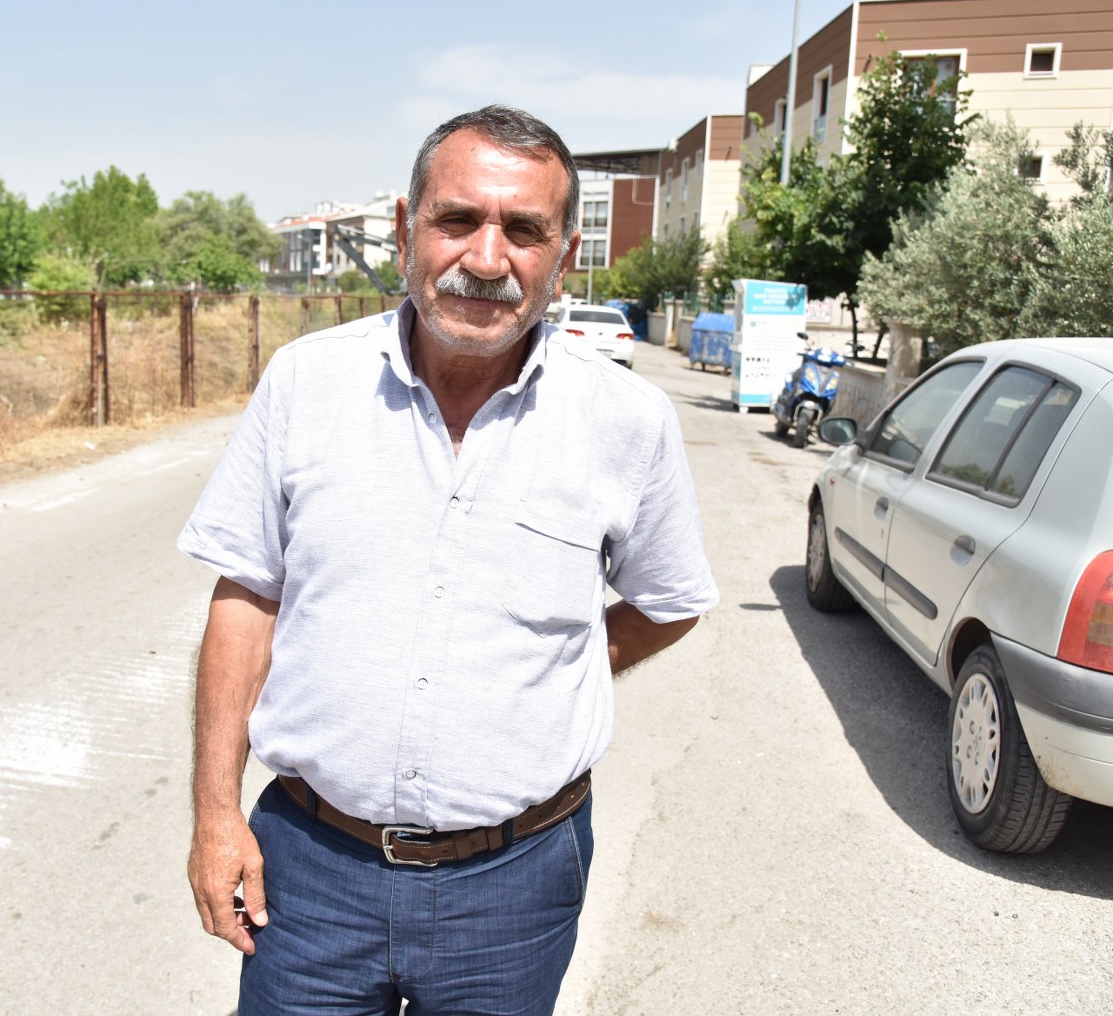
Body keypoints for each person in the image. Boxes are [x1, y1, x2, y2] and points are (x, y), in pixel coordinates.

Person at [178, 105, 718, 1015]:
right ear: (407, 229)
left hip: (515, 886)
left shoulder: (626, 421)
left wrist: (563, 665)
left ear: (564, 255)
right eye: (458, 219)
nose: (487, 257)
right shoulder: (307, 384)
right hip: (309, 873)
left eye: (525, 230)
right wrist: (215, 813)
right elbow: (246, 595)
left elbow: (670, 599)